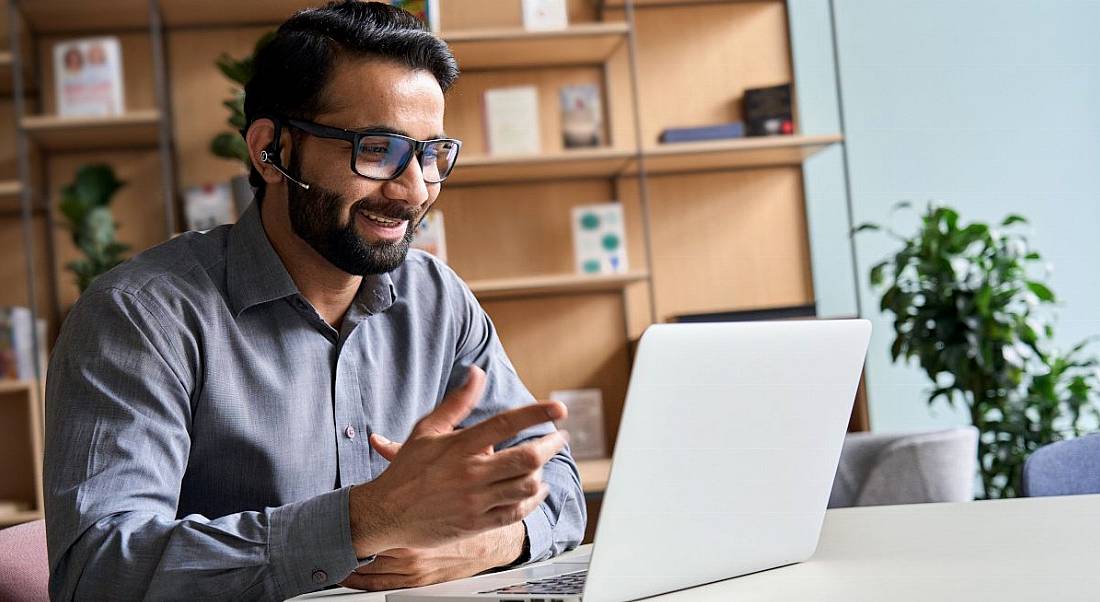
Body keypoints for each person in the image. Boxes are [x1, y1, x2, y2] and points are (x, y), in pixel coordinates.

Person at [42, 2, 586, 600]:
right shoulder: (141, 316)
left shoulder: (437, 298)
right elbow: (97, 573)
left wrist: (482, 544)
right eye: (377, 150)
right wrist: (367, 520)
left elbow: (555, 483)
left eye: (430, 154)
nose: (413, 190)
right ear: (269, 151)